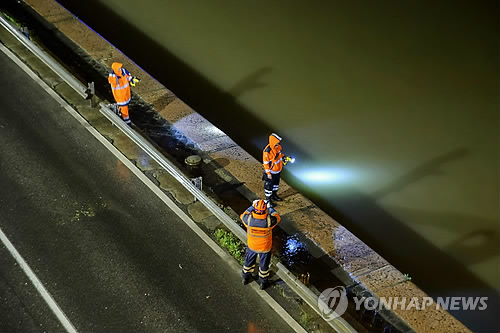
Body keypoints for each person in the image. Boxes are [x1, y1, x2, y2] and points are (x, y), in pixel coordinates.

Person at [240, 199, 281, 290]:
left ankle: (245, 278)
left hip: (252, 246)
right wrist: (270, 208)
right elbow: (277, 217)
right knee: (264, 266)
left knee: (248, 262)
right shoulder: (269, 221)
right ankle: (263, 283)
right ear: (265, 210)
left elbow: (243, 215)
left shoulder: (248, 220)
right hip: (264, 248)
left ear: (255, 210)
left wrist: (252, 206)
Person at [262, 133, 286, 206]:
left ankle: (274, 195)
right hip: (271, 172)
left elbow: (279, 155)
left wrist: (284, 157)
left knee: (276, 184)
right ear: (273, 142)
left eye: (278, 143)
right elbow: (265, 163)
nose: (277, 144)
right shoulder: (267, 151)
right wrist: (268, 174)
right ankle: (268, 200)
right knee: (269, 186)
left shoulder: (278, 147)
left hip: (277, 170)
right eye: (276, 143)